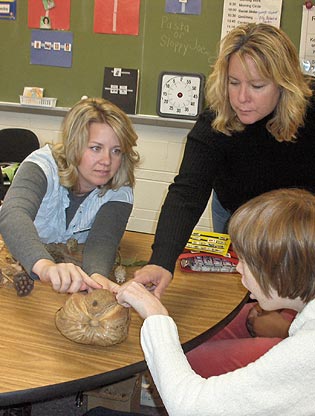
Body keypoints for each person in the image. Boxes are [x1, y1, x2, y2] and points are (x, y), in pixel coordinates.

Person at [133, 22, 315, 299]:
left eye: (256, 85)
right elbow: (187, 193)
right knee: (246, 291)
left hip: (302, 219)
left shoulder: (309, 111)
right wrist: (161, 261)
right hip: (238, 211)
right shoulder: (215, 121)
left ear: (283, 84)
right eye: (233, 82)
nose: (241, 98)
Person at [115, 188, 315, 415]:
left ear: (281, 271)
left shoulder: (307, 352)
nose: (238, 268)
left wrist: (155, 316)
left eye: (246, 262)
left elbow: (191, 407)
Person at [0, 98, 139, 294]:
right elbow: (13, 214)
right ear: (75, 145)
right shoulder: (42, 166)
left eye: (116, 151)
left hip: (71, 272)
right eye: (96, 148)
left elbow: (103, 241)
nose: (107, 161)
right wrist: (46, 267)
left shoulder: (120, 188)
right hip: (26, 259)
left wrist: (97, 278)